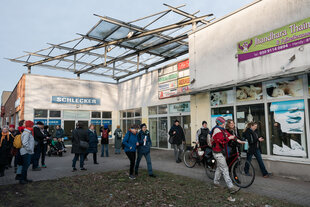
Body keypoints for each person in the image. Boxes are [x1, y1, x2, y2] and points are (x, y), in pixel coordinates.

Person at [210, 117, 240, 194]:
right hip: (218, 152)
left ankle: (216, 182)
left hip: (221, 152)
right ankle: (231, 187)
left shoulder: (222, 130)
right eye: (223, 122)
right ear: (220, 123)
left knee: (219, 168)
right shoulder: (217, 130)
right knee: (225, 168)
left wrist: (238, 140)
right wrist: (229, 138)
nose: (224, 124)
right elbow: (222, 141)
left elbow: (230, 135)